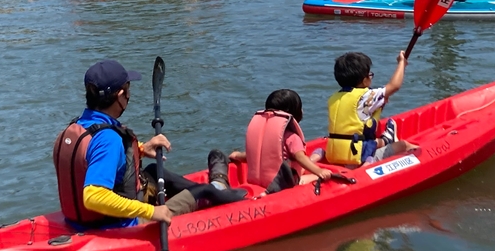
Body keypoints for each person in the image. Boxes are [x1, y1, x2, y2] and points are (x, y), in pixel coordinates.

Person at [53, 59, 247, 229]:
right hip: (118, 225)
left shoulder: (76, 128)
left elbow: (90, 157)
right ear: (120, 95)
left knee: (153, 171)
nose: (129, 96)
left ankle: (213, 190)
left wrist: (141, 150)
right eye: (128, 90)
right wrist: (150, 212)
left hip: (79, 221)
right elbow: (94, 196)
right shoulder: (108, 140)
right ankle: (234, 197)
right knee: (203, 191)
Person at [228, 89, 332, 194]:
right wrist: (319, 171)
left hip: (260, 181)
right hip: (283, 183)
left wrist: (237, 155)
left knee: (303, 162)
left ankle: (316, 156)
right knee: (320, 176)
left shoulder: (266, 135)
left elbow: (252, 156)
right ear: (294, 113)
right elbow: (300, 158)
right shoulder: (292, 137)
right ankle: (317, 157)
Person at [325, 51, 417, 167]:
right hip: (358, 158)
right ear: (364, 80)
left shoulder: (333, 98)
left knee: (366, 140)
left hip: (335, 155)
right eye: (370, 74)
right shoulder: (366, 96)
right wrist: (402, 63)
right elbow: (394, 86)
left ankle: (387, 139)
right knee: (404, 145)